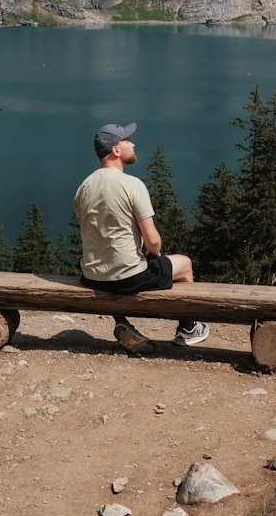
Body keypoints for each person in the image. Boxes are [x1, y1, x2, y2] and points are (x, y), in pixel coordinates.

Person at [73, 121, 209, 354]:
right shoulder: (132, 185)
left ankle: (122, 323)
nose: (132, 143)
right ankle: (188, 327)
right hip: (128, 278)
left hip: (91, 275)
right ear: (116, 150)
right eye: (127, 141)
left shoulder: (83, 187)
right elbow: (153, 241)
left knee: (114, 271)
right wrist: (153, 255)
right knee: (184, 265)